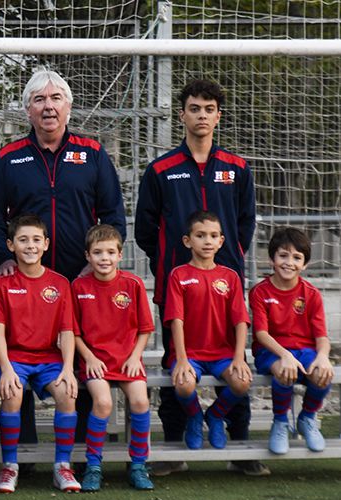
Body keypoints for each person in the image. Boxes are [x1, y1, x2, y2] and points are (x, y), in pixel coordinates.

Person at [0, 69, 126, 455]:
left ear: (69, 107)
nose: (48, 107)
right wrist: (1, 258)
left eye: (55, 99)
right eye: (40, 100)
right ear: (27, 109)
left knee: (74, 354)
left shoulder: (92, 153)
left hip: (79, 279)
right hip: (25, 277)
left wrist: (96, 267)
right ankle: (22, 451)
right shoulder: (9, 158)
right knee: (21, 351)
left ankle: (77, 447)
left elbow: (113, 214)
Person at [135, 78, 261, 476]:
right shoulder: (161, 169)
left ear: (218, 116)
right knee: (178, 363)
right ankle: (175, 448)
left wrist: (227, 256)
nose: (201, 115)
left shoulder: (237, 168)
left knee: (235, 361)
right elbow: (144, 227)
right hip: (179, 288)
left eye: (208, 109)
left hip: (225, 288)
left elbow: (244, 224)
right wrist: (171, 261)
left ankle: (239, 448)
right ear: (182, 114)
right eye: (194, 108)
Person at [0, 215, 79, 494]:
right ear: (10, 245)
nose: (30, 246)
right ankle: (10, 466)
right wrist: (5, 368)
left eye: (36, 240)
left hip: (49, 358)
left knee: (67, 392)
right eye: (23, 240)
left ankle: (62, 466)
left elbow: (67, 331)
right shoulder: (2, 285)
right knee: (13, 392)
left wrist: (67, 368)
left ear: (46, 244)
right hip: (14, 357)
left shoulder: (60, 282)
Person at [72, 224, 154, 492]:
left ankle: (139, 465)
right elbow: (72, 332)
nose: (104, 258)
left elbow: (144, 329)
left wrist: (134, 357)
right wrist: (89, 357)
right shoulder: (79, 286)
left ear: (120, 255)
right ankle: (94, 465)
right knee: (104, 403)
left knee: (141, 400)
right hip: (95, 361)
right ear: (88, 256)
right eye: (97, 252)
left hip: (127, 359)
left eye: (110, 252)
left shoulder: (133, 284)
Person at [165, 211, 252, 451]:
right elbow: (176, 320)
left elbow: (241, 321)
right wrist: (181, 359)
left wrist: (238, 357)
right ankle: (194, 416)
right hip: (190, 354)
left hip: (223, 354)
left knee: (242, 383)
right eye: (200, 235)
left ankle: (215, 415)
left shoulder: (230, 277)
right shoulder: (179, 275)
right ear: (187, 241)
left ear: (221, 241)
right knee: (184, 385)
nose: (207, 241)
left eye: (213, 236)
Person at [250, 227, 334, 455]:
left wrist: (323, 357)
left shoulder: (311, 293)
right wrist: (285, 355)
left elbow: (322, 337)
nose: (289, 262)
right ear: (272, 259)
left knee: (322, 374)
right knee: (284, 371)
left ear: (305, 264)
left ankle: (307, 418)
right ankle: (280, 422)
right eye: (283, 255)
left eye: (297, 257)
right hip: (271, 351)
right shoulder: (259, 291)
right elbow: (261, 335)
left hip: (304, 350)